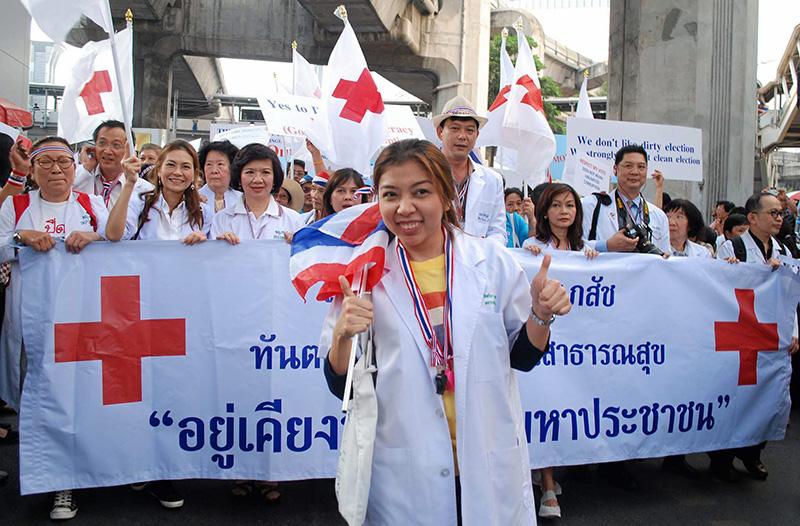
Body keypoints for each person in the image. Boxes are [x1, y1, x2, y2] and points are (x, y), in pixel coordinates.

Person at [322, 139, 571, 524]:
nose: (405, 208)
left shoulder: (491, 262)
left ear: (445, 194)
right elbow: (343, 386)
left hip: (485, 459)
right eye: (391, 194)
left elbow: (522, 357)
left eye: (420, 192)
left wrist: (540, 313)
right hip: (404, 471)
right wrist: (342, 335)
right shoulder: (362, 274)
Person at [0, 136, 110, 521]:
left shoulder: (91, 205)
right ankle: (42, 475)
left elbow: (119, 241)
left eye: (63, 162)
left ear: (74, 167)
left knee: (74, 399)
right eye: (45, 162)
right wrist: (21, 238)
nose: (56, 169)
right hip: (30, 322)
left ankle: (66, 481)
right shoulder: (16, 206)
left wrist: (95, 237)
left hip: (80, 323)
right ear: (32, 170)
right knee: (38, 402)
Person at [521, 182, 596, 519]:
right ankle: (548, 486)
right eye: (556, 205)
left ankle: (547, 472)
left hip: (577, 348)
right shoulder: (532, 248)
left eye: (570, 205)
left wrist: (594, 260)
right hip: (545, 342)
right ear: (544, 212)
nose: (564, 212)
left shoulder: (585, 249)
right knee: (545, 404)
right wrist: (528, 255)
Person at [713, 191, 799, 481]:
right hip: (737, 333)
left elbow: (789, 297)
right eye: (772, 213)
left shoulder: (784, 251)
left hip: (768, 335)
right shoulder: (732, 247)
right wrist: (730, 270)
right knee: (734, 396)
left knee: (765, 396)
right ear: (752, 217)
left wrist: (793, 331)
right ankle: (721, 458)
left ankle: (753, 453)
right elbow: (716, 289)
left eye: (781, 213)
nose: (779, 218)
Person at [106, 140, 212, 244]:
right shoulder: (141, 202)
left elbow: (211, 251)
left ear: (194, 174)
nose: (177, 172)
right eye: (171, 165)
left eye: (185, 167)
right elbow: (113, 235)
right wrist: (129, 183)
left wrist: (200, 244)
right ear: (159, 170)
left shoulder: (203, 213)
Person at [433, 96, 506, 245]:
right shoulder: (424, 173)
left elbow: (497, 231)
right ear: (440, 132)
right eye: (455, 128)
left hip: (479, 257)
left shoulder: (493, 180)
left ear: (477, 135)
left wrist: (481, 251)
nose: (462, 136)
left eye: (469, 130)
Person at [581, 144, 670, 255]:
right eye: (628, 166)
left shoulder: (659, 216)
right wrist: (607, 246)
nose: (635, 172)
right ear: (615, 169)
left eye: (641, 167)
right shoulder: (591, 205)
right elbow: (574, 245)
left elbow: (666, 256)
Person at [211, 143, 304, 245]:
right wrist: (220, 246)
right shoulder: (221, 219)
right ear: (239, 177)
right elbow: (212, 255)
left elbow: (304, 254)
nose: (257, 180)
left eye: (265, 172)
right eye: (250, 172)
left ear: (275, 177)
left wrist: (295, 247)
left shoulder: (294, 220)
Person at [73, 120, 154, 208]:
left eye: (116, 145)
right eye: (102, 143)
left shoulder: (145, 190)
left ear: (129, 150)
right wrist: (86, 168)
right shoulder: (81, 178)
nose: (107, 151)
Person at [198, 140, 241, 213]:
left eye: (220, 164)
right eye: (209, 164)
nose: (214, 171)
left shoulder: (242, 200)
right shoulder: (194, 199)